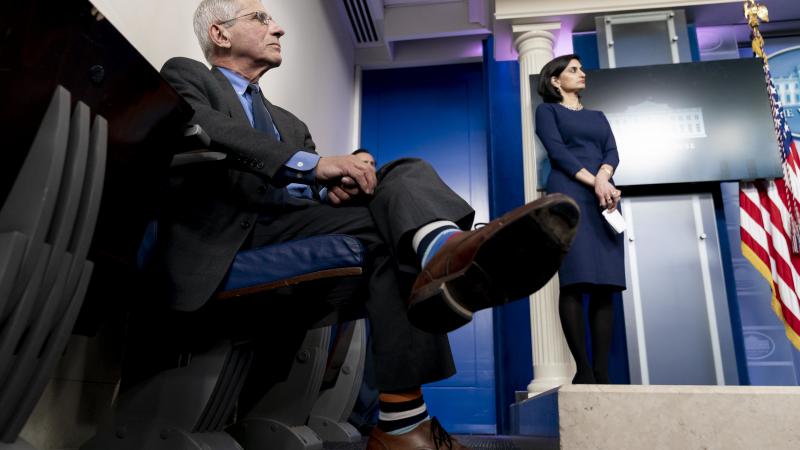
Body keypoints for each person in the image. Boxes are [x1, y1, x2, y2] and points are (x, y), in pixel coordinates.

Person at [155, 1, 579, 447]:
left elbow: (313, 187)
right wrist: (314, 167)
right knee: (395, 234)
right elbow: (209, 127)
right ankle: (403, 417)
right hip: (227, 240)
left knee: (401, 180)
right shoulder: (189, 75)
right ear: (221, 35)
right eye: (260, 19)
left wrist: (337, 185)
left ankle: (440, 249)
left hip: (288, 226)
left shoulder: (289, 123)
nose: (277, 28)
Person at [534, 54, 626, 385]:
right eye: (573, 70)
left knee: (606, 285)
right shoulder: (547, 111)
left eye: (581, 69)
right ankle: (582, 370)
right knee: (574, 280)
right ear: (556, 80)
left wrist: (604, 177)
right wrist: (598, 181)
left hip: (604, 199)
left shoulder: (598, 116)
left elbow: (612, 152)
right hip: (569, 198)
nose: (581, 73)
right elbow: (558, 153)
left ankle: (601, 372)